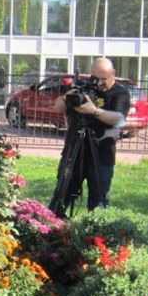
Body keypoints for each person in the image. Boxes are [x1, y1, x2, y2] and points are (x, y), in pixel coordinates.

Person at [51, 57, 130, 213]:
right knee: (60, 197)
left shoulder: (120, 93)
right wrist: (69, 96)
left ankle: (95, 236)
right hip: (74, 152)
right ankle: (52, 231)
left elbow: (119, 120)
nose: (99, 83)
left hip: (101, 154)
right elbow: (58, 107)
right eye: (96, 79)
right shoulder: (85, 88)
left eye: (104, 79)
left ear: (113, 74)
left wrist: (94, 111)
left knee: (98, 203)